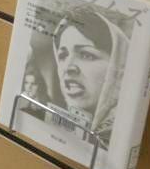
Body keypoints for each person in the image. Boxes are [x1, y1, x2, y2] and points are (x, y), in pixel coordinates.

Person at [52, 8, 129, 148]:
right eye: (62, 56)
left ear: (117, 66)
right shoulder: (56, 127)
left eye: (86, 55)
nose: (68, 68)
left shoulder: (124, 136)